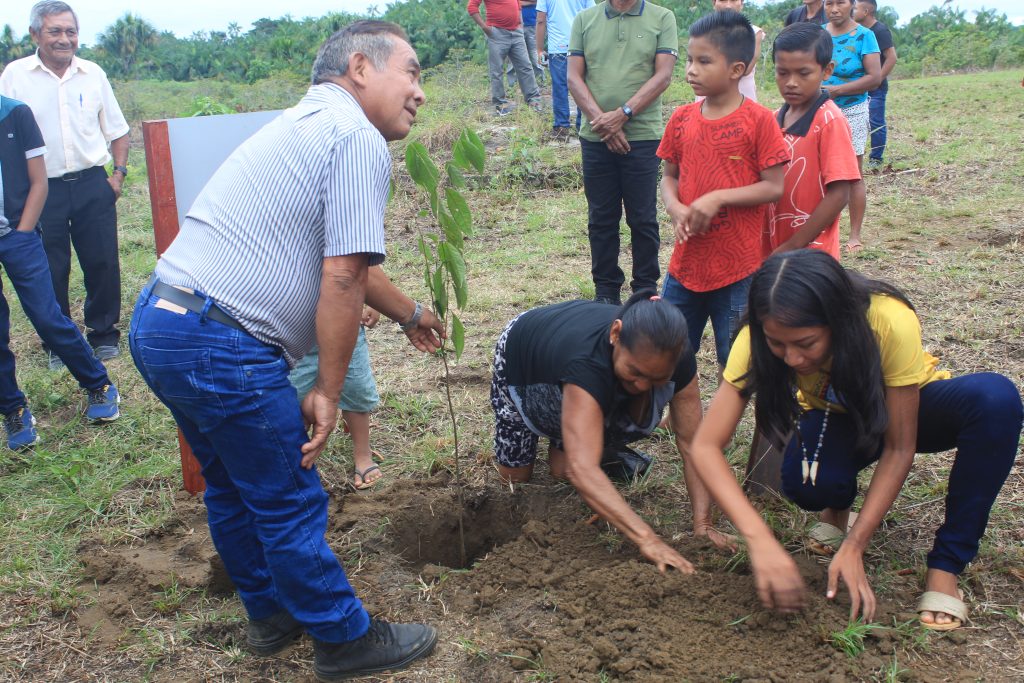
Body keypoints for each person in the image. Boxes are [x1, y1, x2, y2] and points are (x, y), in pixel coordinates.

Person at [128, 22, 445, 681]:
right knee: (287, 493)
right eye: (411, 72)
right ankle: (342, 636)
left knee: (233, 483)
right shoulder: (356, 137)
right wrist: (328, 389)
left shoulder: (305, 124)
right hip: (221, 342)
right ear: (361, 67)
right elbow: (342, 276)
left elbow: (347, 259)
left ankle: (269, 614)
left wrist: (411, 311)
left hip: (164, 320)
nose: (420, 92)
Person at [689, 249, 1023, 628]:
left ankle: (946, 565)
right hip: (837, 416)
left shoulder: (886, 320)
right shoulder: (756, 339)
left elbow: (899, 446)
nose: (792, 358)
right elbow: (705, 444)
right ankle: (837, 510)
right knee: (807, 485)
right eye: (778, 344)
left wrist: (856, 545)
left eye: (806, 343)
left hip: (910, 410)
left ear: (838, 321)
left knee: (996, 400)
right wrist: (759, 539)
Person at [492, 293, 735, 569]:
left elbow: (693, 444)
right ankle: (567, 426)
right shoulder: (587, 362)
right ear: (615, 334)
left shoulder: (678, 358)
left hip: (577, 375)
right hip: (523, 357)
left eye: (657, 379)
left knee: (561, 470)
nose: (643, 386)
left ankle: (576, 431)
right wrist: (647, 538)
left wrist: (703, 524)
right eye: (636, 371)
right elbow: (581, 469)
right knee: (515, 478)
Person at [658, 11, 789, 371]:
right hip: (685, 264)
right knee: (670, 349)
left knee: (736, 357)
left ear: (736, 69)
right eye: (689, 59)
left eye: (704, 61)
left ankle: (736, 422)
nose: (691, 70)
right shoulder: (681, 118)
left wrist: (719, 197)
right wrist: (674, 207)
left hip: (739, 267)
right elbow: (668, 177)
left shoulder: (759, 120)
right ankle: (682, 415)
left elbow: (774, 187)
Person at [0, 1, 130, 366]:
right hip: (41, 190)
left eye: (70, 31)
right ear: (35, 34)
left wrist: (117, 175)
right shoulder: (15, 75)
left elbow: (118, 131)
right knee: (50, 267)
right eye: (55, 31)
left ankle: (104, 335)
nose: (64, 39)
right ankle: (58, 343)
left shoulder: (93, 74)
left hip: (92, 183)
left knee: (102, 261)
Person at [1, 93, 120, 450]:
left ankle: (98, 384)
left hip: (16, 235)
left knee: (47, 316)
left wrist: (23, 234)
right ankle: (12, 408)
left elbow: (39, 181)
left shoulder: (14, 114)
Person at [568, 0, 679, 306]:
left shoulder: (662, 17)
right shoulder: (584, 19)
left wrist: (623, 114)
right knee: (601, 218)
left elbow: (663, 76)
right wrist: (602, 122)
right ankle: (606, 292)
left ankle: (644, 290)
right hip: (595, 137)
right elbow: (574, 77)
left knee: (642, 217)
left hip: (643, 136)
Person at [764, 22, 861, 258]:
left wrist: (793, 246)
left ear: (827, 71)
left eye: (803, 73)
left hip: (810, 254)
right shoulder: (775, 118)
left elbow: (839, 194)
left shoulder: (829, 121)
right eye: (782, 72)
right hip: (772, 248)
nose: (791, 82)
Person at [290, 301, 384, 490]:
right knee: (293, 399)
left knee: (355, 391)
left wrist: (375, 302)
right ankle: (299, 458)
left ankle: (363, 453)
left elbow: (365, 272)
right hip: (294, 335)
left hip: (345, 328)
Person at [822, 0, 880, 253]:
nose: (834, 8)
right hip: (821, 109)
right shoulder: (820, 35)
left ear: (853, 5)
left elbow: (874, 78)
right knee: (821, 171)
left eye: (840, 3)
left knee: (853, 173)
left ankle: (854, 235)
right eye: (829, 3)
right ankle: (822, 230)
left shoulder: (865, 36)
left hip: (853, 109)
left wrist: (837, 90)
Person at [468, 0, 542, 116]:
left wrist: (520, 24)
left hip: (516, 32)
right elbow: (472, 7)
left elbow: (518, 4)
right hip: (496, 32)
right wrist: (485, 28)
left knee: (525, 66)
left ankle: (533, 99)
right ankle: (500, 103)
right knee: (497, 70)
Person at [536, 0, 592, 138]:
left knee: (560, 87)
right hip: (581, 45)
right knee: (583, 85)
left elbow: (541, 20)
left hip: (558, 47)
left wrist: (539, 49)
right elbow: (592, 16)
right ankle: (582, 125)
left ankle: (561, 128)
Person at [854, 0, 897, 170]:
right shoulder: (857, 31)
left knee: (875, 121)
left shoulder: (879, 30)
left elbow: (891, 57)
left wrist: (877, 79)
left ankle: (876, 158)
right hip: (859, 86)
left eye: (855, 8)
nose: (852, 11)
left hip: (875, 88)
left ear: (866, 11)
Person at [710, 0, 765, 102]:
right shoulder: (703, 32)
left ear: (742, 3)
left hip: (742, 96)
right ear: (714, 3)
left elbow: (746, 69)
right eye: (722, 0)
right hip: (709, 95)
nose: (728, 5)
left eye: (734, 0)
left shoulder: (753, 33)